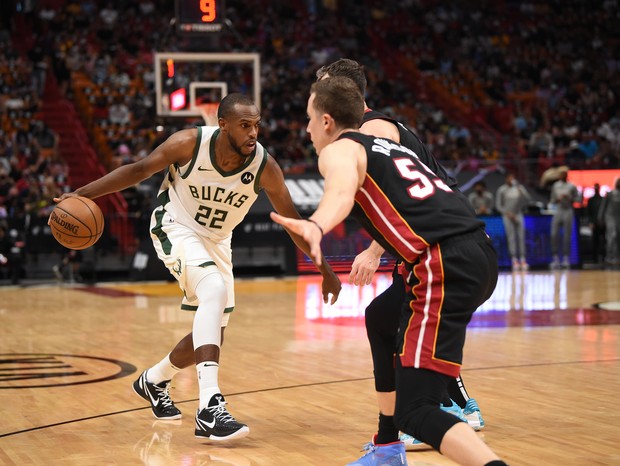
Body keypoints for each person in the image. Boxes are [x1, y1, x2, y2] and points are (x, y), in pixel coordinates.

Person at [54, 93, 342, 442]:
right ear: (222, 124)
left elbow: (294, 222)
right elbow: (139, 169)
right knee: (214, 291)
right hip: (175, 225)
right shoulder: (189, 143)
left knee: (212, 334)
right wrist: (81, 193)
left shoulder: (265, 166)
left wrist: (325, 269)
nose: (254, 133)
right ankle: (209, 407)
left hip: (218, 241)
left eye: (257, 125)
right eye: (245, 126)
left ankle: (154, 380)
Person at [272, 76, 506, 466]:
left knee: (417, 411)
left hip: (441, 261)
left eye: (309, 118)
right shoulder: (388, 144)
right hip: (475, 252)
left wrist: (316, 225)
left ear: (327, 121)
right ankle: (387, 447)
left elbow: (341, 193)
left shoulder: (339, 149)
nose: (307, 128)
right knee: (385, 325)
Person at [315, 59, 485, 454]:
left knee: (405, 319)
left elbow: (399, 196)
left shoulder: (367, 131)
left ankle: (444, 408)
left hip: (438, 242)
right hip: (439, 238)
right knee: (386, 318)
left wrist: (374, 250)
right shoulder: (380, 126)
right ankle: (393, 435)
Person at [495, 172, 531, 271]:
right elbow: (498, 205)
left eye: (513, 177)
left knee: (521, 236)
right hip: (507, 215)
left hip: (518, 214)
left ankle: (523, 259)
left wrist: (521, 192)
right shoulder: (502, 190)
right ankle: (514, 259)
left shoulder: (519, 188)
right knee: (511, 237)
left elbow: (528, 200)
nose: (511, 179)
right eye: (509, 177)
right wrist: (506, 213)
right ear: (506, 179)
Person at [549, 169, 580, 269]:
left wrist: (570, 198)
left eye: (565, 174)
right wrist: (557, 199)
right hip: (558, 210)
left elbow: (578, 199)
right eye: (561, 174)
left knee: (567, 235)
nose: (563, 176)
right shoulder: (555, 186)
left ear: (567, 176)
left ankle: (566, 258)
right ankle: (555, 258)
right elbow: (552, 200)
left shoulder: (572, 186)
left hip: (568, 210)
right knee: (554, 234)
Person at [599, 178, 620, 267]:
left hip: (618, 217)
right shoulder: (610, 194)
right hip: (610, 217)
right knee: (612, 236)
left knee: (617, 237)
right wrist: (600, 218)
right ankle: (609, 257)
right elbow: (603, 207)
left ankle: (617, 257)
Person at [586, 183, 605, 265]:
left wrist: (604, 221)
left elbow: (605, 211)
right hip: (594, 224)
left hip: (603, 223)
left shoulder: (603, 199)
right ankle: (595, 259)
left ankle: (604, 258)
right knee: (595, 241)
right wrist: (590, 222)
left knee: (604, 241)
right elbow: (588, 212)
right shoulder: (590, 200)